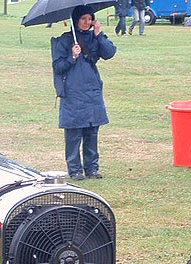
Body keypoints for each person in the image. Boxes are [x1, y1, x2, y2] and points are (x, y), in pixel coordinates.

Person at [52, 6, 116, 180]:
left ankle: (92, 168)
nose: (87, 22)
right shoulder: (65, 41)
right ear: (75, 20)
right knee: (74, 133)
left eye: (90, 19)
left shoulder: (95, 37)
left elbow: (110, 53)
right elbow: (58, 67)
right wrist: (71, 57)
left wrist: (99, 33)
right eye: (83, 19)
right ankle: (75, 170)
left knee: (92, 131)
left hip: (92, 89)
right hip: (73, 91)